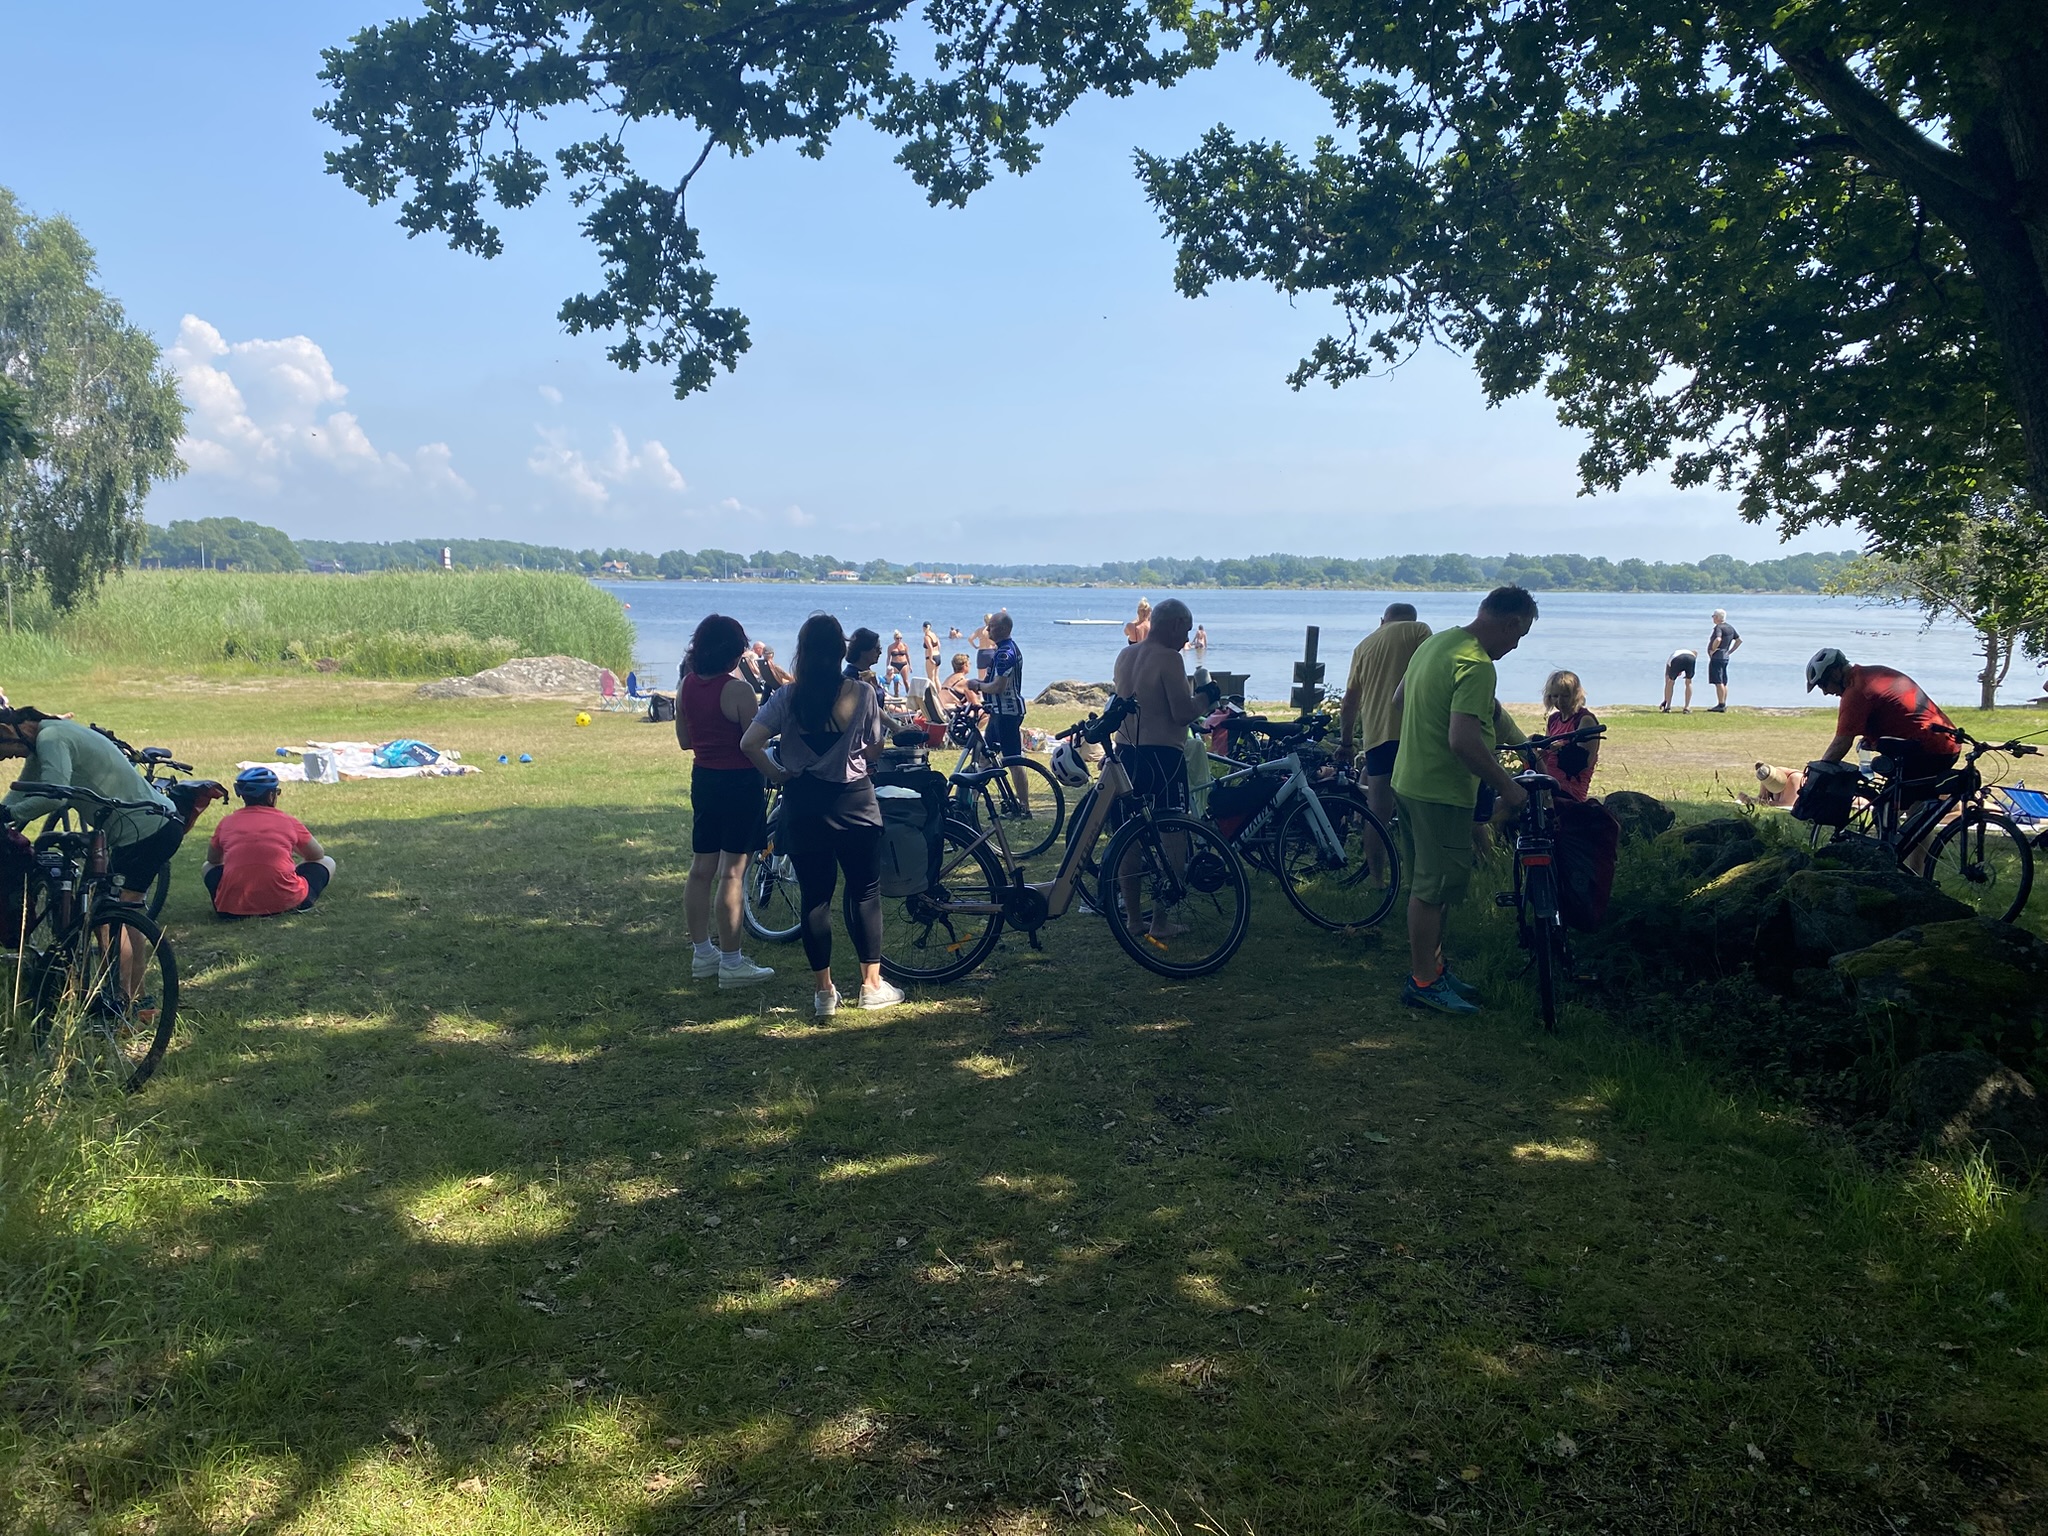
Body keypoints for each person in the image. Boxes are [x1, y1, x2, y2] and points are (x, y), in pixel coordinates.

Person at [741, 614, 902, 1018]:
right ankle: (871, 985)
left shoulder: (787, 697)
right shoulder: (863, 693)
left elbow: (750, 743)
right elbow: (874, 748)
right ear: (840, 651)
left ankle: (824, 992)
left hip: (804, 804)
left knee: (816, 897)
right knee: (865, 892)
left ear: (803, 651)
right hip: (854, 802)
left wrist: (778, 773)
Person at [1389, 586, 1538, 1015]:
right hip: (1441, 791)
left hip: (1408, 780)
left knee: (1429, 884)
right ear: (1510, 622)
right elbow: (1463, 741)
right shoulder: (1476, 664)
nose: (1515, 646)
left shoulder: (1436, 644)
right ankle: (1423, 982)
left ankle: (1434, 968)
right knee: (1432, 890)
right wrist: (1508, 786)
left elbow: (1399, 701)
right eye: (1519, 636)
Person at [676, 614, 773, 988]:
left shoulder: (686, 685)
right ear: (733, 652)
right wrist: (778, 772)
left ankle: (702, 953)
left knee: (701, 867)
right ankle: (732, 961)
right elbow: (753, 743)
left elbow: (685, 741)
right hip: (738, 783)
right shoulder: (739, 691)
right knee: (732, 872)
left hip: (704, 780)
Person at [1109, 598, 1205, 939]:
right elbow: (1182, 714)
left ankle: (1134, 918)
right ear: (1175, 624)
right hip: (1162, 757)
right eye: (1186, 629)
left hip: (1127, 754)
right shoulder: (1169, 658)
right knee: (1172, 836)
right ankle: (1161, 921)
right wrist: (1207, 697)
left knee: (1129, 839)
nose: (1188, 638)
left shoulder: (1125, 654)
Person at [1338, 603, 1433, 873]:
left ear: (1382, 621)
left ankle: (1377, 879)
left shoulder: (1364, 646)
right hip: (1413, 734)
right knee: (1419, 810)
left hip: (1377, 738)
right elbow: (1431, 672)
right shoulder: (1419, 631)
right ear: (1412, 618)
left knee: (1377, 812)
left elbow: (1350, 701)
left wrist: (1346, 742)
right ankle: (1419, 876)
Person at [202, 765, 338, 918]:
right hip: (287, 903)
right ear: (270, 796)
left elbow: (213, 860)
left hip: (231, 911)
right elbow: (317, 855)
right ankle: (294, 900)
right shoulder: (287, 821)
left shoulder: (226, 822)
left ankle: (229, 901)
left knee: (207, 867)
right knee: (327, 861)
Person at [966, 610, 1030, 813]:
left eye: (991, 626)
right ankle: (970, 803)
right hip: (998, 713)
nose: (987, 630)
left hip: (1007, 714)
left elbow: (998, 686)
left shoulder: (1005, 653)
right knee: (985, 757)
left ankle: (1024, 807)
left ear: (1002, 629)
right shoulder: (1003, 649)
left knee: (1013, 760)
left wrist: (977, 685)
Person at [1537, 670, 1600, 802]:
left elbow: (1583, 763)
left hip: (1569, 789)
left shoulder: (1585, 720)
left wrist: (1556, 747)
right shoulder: (1554, 719)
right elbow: (1546, 755)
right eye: (1555, 696)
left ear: (1575, 695)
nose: (1559, 701)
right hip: (1547, 781)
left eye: (1565, 696)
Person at [1706, 609, 1741, 712]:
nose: (1713, 618)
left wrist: (1713, 649)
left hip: (1717, 657)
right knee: (1724, 681)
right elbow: (1739, 640)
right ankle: (1723, 703)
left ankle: (1721, 704)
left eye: (1713, 616)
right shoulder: (1730, 627)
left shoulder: (1719, 627)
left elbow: (1718, 639)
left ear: (1717, 617)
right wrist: (1729, 651)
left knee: (1718, 681)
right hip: (1725, 657)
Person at [845, 627, 888, 709]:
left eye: (880, 649)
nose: (880, 652)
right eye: (877, 649)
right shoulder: (852, 677)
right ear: (863, 651)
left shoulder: (867, 673)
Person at [1661, 648, 1696, 713]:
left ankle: (1668, 707)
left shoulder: (1670, 660)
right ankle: (1687, 707)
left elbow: (1667, 680)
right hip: (1691, 659)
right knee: (1689, 682)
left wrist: (1665, 700)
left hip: (1677, 659)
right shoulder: (1692, 654)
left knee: (1670, 682)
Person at [886, 630, 913, 699]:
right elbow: (888, 657)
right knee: (896, 682)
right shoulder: (890, 647)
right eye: (897, 638)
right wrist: (887, 667)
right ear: (894, 638)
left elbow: (907, 656)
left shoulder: (904, 645)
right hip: (894, 665)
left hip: (904, 664)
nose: (899, 640)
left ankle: (910, 696)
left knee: (906, 681)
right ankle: (896, 696)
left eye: (900, 638)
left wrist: (910, 666)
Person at [921, 622, 941, 687]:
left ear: (924, 628)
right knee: (936, 678)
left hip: (931, 657)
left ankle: (933, 693)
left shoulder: (926, 637)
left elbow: (930, 648)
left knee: (931, 678)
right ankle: (940, 692)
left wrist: (931, 658)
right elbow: (939, 645)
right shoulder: (934, 634)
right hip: (937, 656)